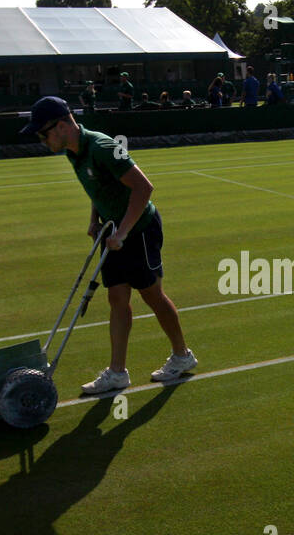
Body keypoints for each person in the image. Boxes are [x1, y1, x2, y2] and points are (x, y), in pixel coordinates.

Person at [20, 96, 197, 393]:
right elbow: (98, 187)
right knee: (117, 299)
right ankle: (117, 373)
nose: (41, 139)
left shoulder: (103, 146)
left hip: (138, 229)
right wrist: (95, 219)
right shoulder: (72, 151)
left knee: (152, 296)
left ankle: (182, 356)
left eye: (43, 133)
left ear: (62, 126)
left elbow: (144, 188)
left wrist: (123, 233)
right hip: (112, 230)